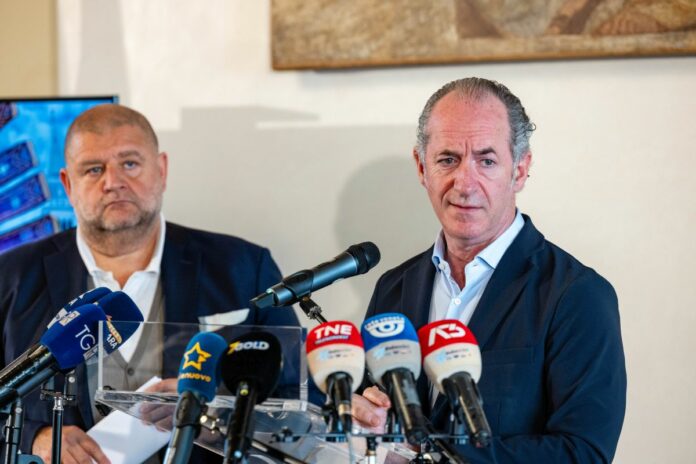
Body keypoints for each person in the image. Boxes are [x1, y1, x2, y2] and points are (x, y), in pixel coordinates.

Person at [0, 104, 299, 463]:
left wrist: (212, 419)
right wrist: (34, 436)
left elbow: (297, 401)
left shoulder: (244, 268)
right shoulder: (10, 277)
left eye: (129, 164)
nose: (112, 182)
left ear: (161, 170)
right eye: (93, 169)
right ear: (67, 184)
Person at [351, 78, 626, 463]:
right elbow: (371, 417)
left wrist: (431, 452)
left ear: (520, 170)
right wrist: (363, 416)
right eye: (448, 160)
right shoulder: (393, 287)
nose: (465, 183)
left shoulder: (578, 294)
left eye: (487, 160)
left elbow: (584, 453)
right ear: (422, 167)